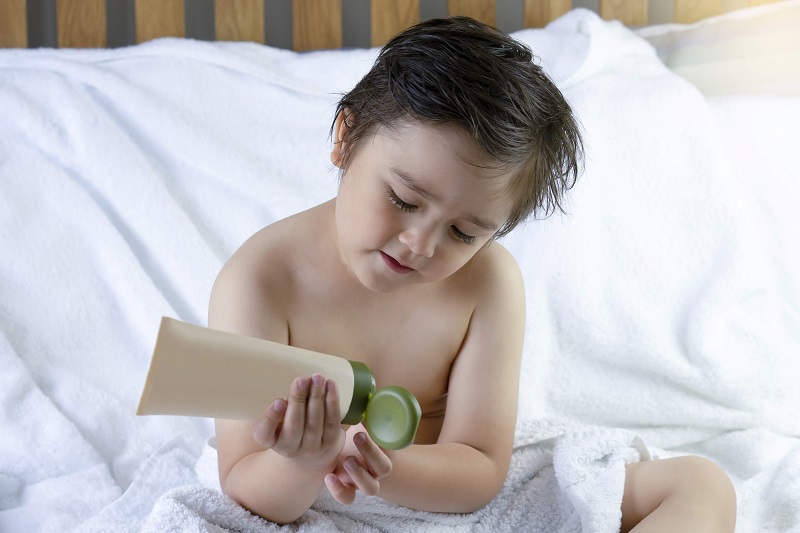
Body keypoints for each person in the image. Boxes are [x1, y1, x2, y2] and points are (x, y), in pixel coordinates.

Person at [208, 16, 736, 531]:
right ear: (346, 138)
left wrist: (381, 465)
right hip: (316, 502)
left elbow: (480, 467)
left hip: (440, 493)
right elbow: (244, 489)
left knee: (700, 484)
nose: (420, 244)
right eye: (402, 199)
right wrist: (305, 461)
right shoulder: (260, 282)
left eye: (464, 233)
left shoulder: (488, 283)